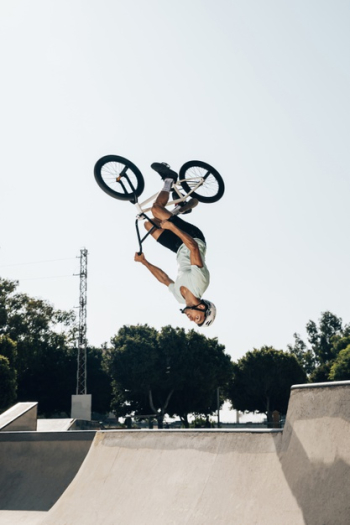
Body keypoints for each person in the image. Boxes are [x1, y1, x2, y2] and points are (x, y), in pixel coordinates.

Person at [134, 162, 216, 327]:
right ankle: (169, 179)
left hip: (178, 247)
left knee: (149, 225)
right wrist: (172, 226)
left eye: (195, 322)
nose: (192, 320)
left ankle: (180, 209)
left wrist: (144, 262)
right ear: (201, 307)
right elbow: (193, 246)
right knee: (156, 209)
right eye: (198, 318)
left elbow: (164, 279)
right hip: (192, 238)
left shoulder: (180, 297)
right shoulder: (200, 283)